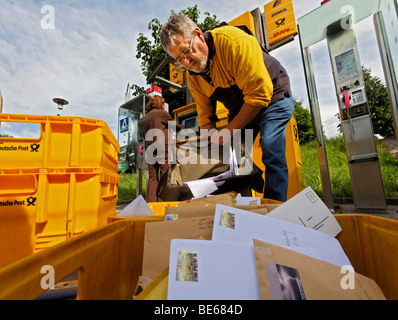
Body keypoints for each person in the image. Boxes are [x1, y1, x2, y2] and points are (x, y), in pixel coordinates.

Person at [160, 14, 294, 202]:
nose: (186, 63)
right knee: (232, 160)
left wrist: (229, 130)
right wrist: (211, 152)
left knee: (271, 148)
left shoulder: (233, 42)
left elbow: (258, 95)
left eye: (186, 52)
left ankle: (274, 208)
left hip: (272, 97)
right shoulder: (193, 77)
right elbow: (206, 118)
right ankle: (239, 206)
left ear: (197, 34)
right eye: (178, 59)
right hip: (242, 109)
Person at [142, 95, 182, 202]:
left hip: (149, 149)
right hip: (161, 147)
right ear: (159, 103)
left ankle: (151, 205)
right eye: (163, 103)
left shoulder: (145, 117)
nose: (163, 105)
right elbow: (175, 126)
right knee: (165, 174)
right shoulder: (162, 113)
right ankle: (168, 201)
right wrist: (182, 126)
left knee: (152, 178)